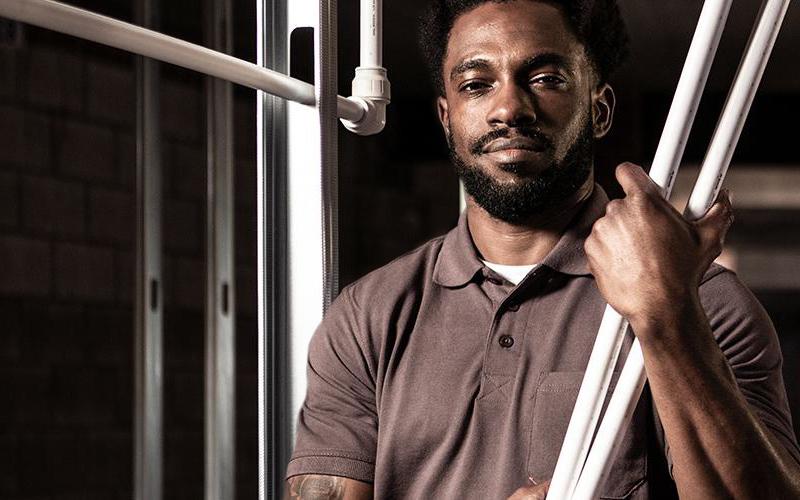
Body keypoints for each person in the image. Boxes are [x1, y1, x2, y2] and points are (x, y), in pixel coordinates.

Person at [285, 1, 800, 498]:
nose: (509, 107)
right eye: (475, 84)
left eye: (546, 79)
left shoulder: (703, 301)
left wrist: (667, 312)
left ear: (599, 110)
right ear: (447, 117)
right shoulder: (368, 317)